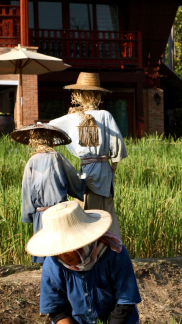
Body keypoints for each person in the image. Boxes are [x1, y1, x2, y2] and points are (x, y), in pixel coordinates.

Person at [51, 72, 127, 238]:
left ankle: (85, 250)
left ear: (77, 95)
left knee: (85, 214)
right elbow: (117, 145)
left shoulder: (72, 118)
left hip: (85, 170)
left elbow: (50, 128)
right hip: (103, 171)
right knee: (106, 214)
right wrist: (113, 167)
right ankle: (109, 249)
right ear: (99, 96)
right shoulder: (105, 116)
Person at [11, 122, 85, 264]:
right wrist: (83, 181)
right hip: (59, 212)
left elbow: (26, 192)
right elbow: (73, 180)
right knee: (62, 252)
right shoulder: (57, 157)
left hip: (41, 214)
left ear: (32, 141)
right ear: (51, 140)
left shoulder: (31, 161)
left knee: (46, 251)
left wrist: (28, 215)